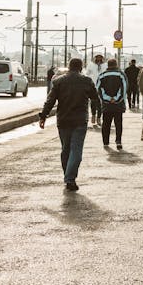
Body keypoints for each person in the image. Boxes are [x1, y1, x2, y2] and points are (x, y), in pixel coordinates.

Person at [38, 57, 99, 191]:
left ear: (69, 67)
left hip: (63, 120)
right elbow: (95, 97)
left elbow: (50, 101)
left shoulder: (58, 81)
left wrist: (43, 116)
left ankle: (68, 177)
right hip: (80, 120)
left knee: (65, 149)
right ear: (81, 67)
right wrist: (98, 113)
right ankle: (70, 178)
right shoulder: (86, 81)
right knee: (76, 151)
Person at [96, 58, 128, 150]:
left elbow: (98, 89)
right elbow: (124, 88)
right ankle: (118, 141)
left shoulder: (102, 75)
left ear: (108, 65)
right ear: (116, 64)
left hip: (106, 105)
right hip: (118, 105)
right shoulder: (121, 74)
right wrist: (116, 98)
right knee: (118, 123)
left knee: (106, 123)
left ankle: (105, 142)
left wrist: (107, 98)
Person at [86, 53, 107, 127]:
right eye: (97, 57)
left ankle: (99, 118)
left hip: (102, 86)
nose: (98, 59)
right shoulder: (91, 65)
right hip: (93, 85)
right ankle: (93, 115)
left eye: (100, 57)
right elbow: (87, 74)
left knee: (100, 103)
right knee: (93, 102)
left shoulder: (105, 65)